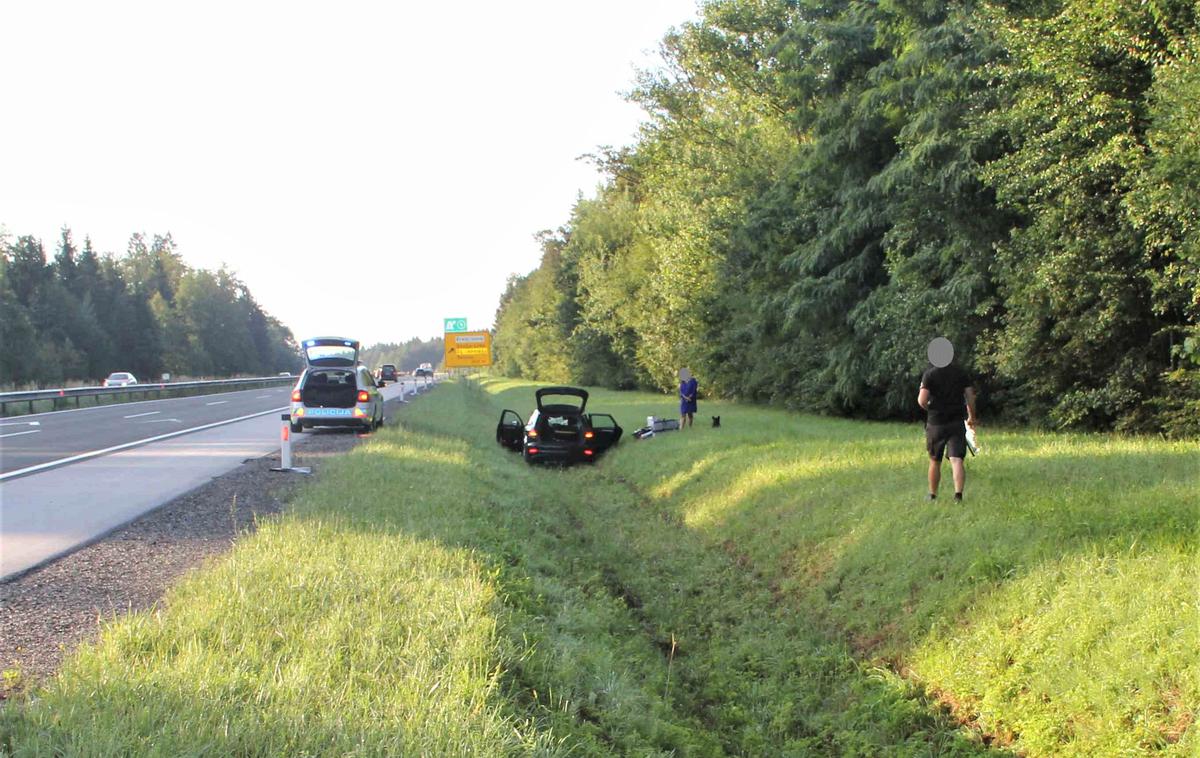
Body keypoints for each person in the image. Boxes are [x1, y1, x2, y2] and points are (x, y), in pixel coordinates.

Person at [917, 338, 977, 501]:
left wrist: (932, 409)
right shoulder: (961, 373)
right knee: (957, 459)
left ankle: (933, 494)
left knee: (935, 460)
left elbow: (922, 400)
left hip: (936, 423)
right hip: (956, 421)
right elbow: (970, 397)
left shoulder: (929, 374)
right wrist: (971, 417)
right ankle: (958, 495)